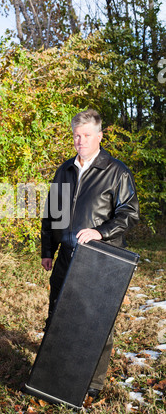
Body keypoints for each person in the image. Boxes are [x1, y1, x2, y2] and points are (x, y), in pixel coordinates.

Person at [41, 109, 140, 399]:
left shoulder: (116, 171)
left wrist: (101, 232)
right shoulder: (65, 171)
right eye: (76, 135)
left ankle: (93, 382)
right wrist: (48, 249)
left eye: (86, 135)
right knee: (57, 314)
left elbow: (129, 212)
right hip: (66, 258)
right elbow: (52, 214)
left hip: (100, 258)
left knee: (96, 321)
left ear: (99, 136)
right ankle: (54, 374)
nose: (80, 141)